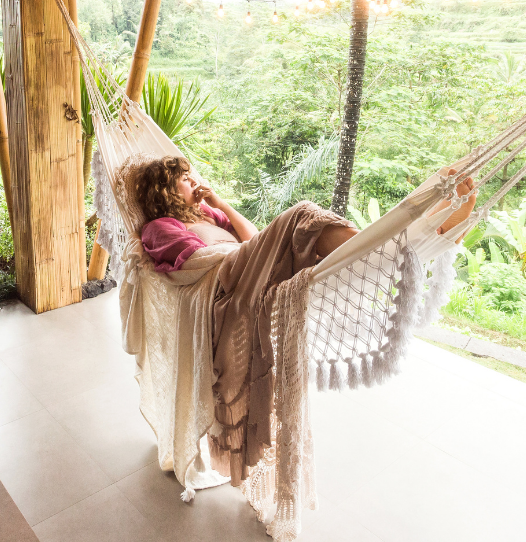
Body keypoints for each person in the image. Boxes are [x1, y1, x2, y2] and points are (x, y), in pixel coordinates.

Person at [138, 155, 475, 487]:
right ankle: (396, 247)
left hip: (249, 269)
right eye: (184, 178)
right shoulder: (159, 227)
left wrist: (218, 203)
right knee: (301, 215)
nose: (194, 180)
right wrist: (264, 254)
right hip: (227, 283)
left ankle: (407, 242)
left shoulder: (206, 213)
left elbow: (249, 234)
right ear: (164, 189)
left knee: (309, 237)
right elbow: (198, 264)